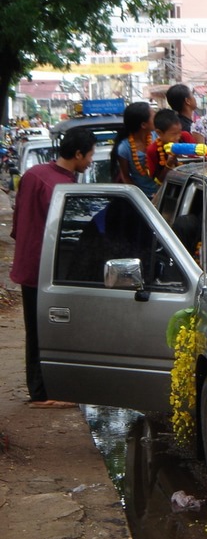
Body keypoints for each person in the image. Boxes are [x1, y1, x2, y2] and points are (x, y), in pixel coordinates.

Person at [11, 127, 96, 408]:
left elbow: (17, 224)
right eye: (90, 155)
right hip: (45, 269)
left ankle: (43, 390)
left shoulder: (34, 175)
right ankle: (41, 394)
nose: (91, 161)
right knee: (44, 332)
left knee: (37, 330)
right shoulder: (60, 187)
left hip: (29, 263)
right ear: (78, 154)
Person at [115, 101, 159, 199]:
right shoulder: (124, 148)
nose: (156, 119)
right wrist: (139, 198)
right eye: (153, 116)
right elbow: (125, 176)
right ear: (143, 125)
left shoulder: (158, 138)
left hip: (163, 194)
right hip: (142, 200)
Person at [146, 108, 185, 185]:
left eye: (179, 132)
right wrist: (169, 164)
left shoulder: (185, 137)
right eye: (174, 134)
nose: (178, 137)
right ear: (159, 133)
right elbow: (158, 180)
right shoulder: (153, 150)